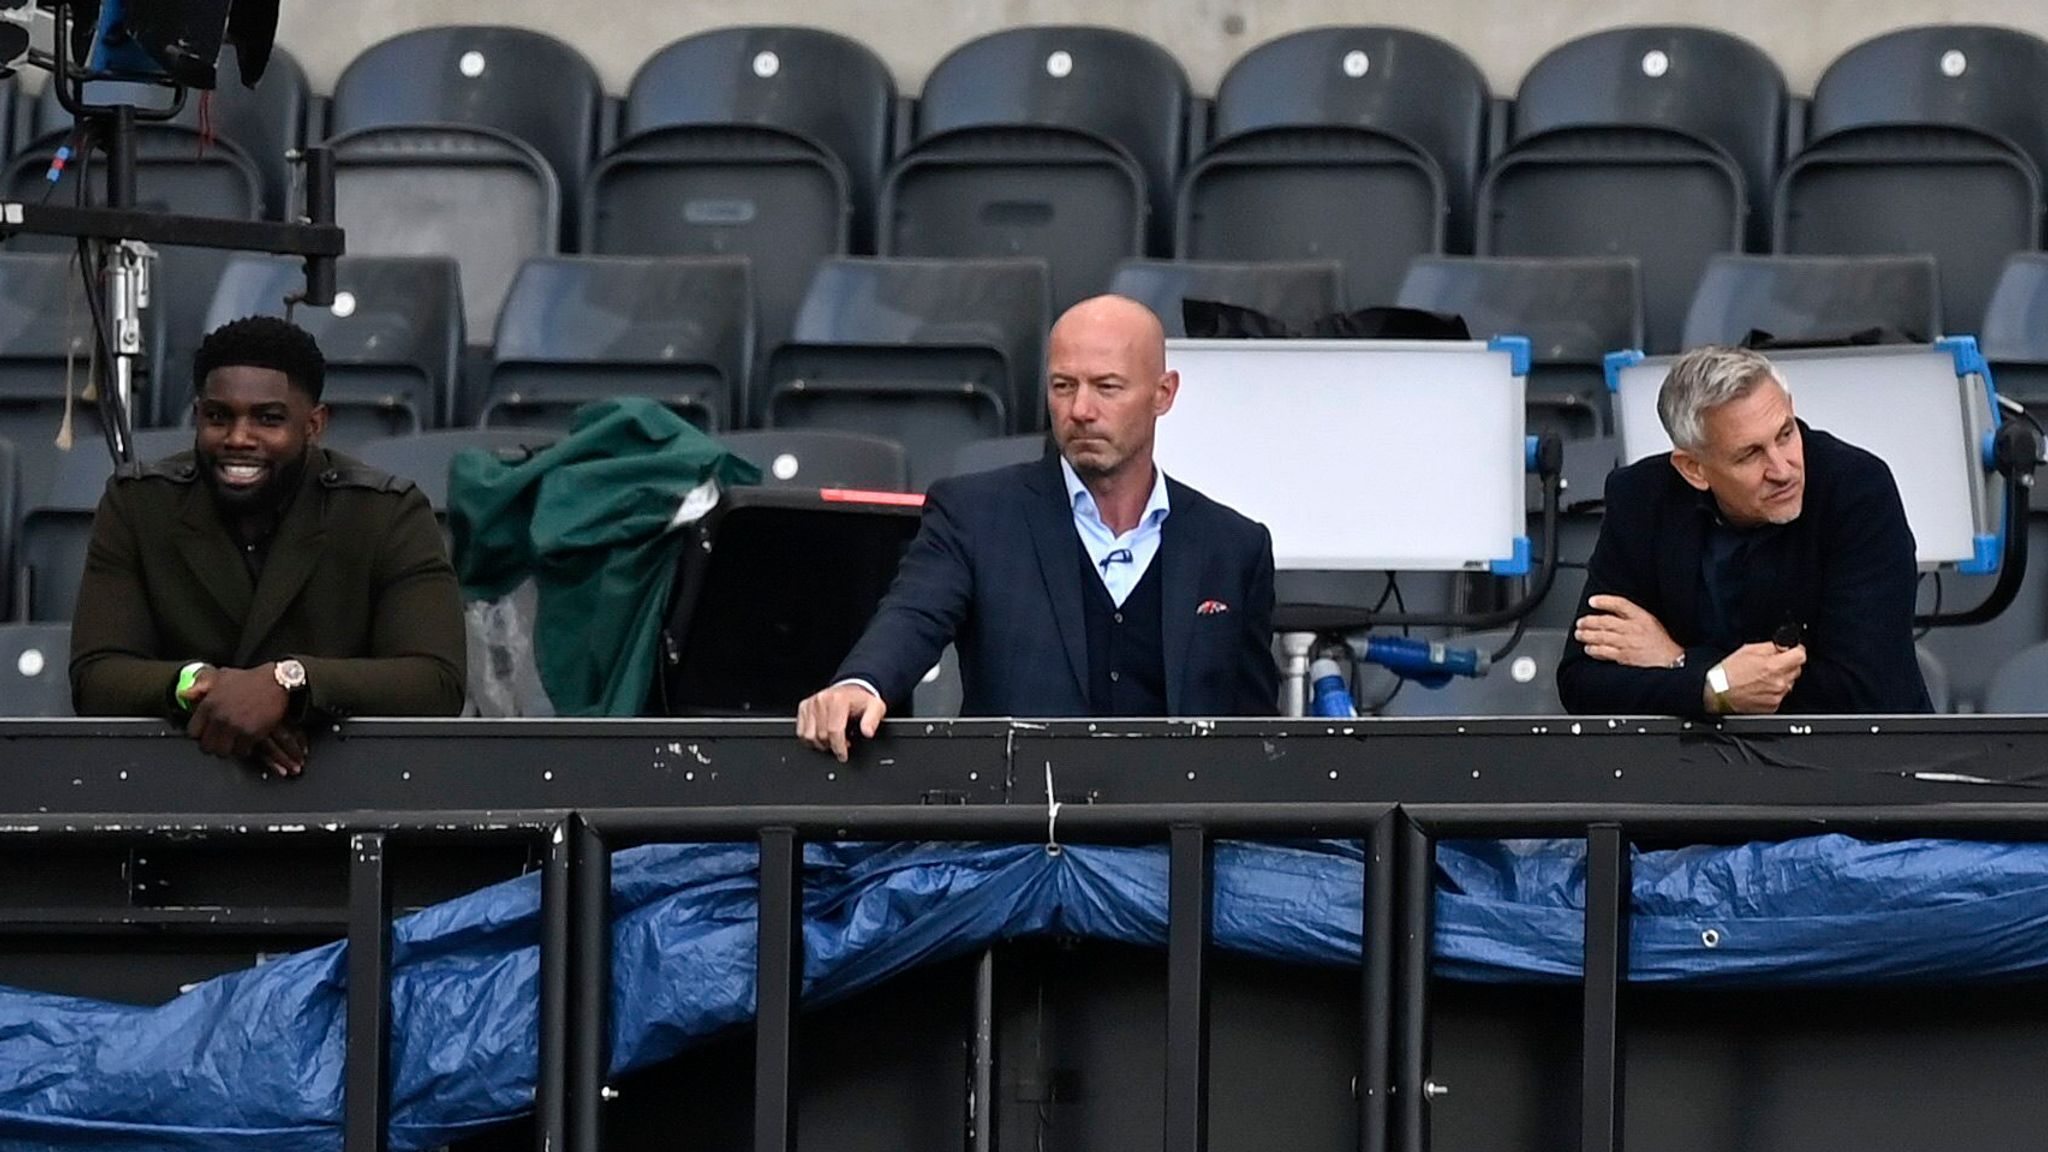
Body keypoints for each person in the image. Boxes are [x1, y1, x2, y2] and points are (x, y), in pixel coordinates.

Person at [797, 295, 1278, 759]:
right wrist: (861, 684)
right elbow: (914, 615)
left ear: (1163, 394)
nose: (1081, 410)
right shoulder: (974, 513)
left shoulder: (1233, 546)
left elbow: (1257, 738)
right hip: (1016, 833)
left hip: (1181, 836)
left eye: (1107, 387)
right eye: (1063, 386)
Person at [70, 315, 468, 773]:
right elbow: (96, 675)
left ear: (314, 424)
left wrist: (289, 685)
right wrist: (206, 688)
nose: (239, 438)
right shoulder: (139, 504)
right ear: (198, 415)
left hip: (345, 787)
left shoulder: (385, 512)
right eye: (219, 417)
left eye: (269, 419)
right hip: (178, 785)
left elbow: (435, 682)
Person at [1557, 344, 1931, 717]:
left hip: (1856, 767)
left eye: (1786, 434)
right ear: (1694, 469)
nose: (1782, 470)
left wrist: (1683, 662)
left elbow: (1862, 692)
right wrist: (1716, 687)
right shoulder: (1642, 498)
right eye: (1750, 454)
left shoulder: (1856, 489)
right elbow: (1583, 683)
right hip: (1690, 768)